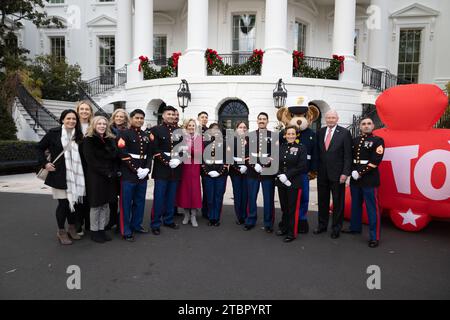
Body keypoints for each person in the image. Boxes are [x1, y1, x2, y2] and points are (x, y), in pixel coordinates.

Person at [37, 109, 85, 245]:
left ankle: (71, 228)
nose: (71, 121)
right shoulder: (54, 133)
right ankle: (61, 231)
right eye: (68, 118)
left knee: (73, 202)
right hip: (59, 174)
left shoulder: (79, 135)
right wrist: (45, 163)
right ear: (62, 119)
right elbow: (39, 148)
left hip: (76, 175)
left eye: (74, 119)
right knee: (64, 204)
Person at [342, 117, 385, 248]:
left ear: (373, 126)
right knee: (356, 205)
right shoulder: (354, 141)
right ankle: (355, 227)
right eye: (363, 124)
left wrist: (360, 172)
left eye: (369, 124)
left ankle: (374, 236)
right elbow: (350, 158)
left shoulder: (378, 141)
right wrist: (350, 173)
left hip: (369, 179)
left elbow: (376, 160)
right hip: (355, 179)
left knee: (372, 208)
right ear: (360, 127)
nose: (366, 126)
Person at [315, 109, 352, 239]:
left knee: (338, 202)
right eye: (328, 118)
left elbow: (348, 155)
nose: (330, 120)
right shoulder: (320, 132)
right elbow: (318, 153)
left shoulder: (344, 133)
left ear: (337, 118)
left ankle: (336, 228)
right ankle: (322, 225)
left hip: (338, 175)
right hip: (322, 174)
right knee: (322, 201)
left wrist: (345, 173)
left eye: (333, 118)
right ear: (326, 119)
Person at [117, 109, 153, 242]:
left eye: (142, 118)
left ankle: (136, 225)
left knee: (139, 202)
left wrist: (147, 169)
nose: (139, 120)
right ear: (131, 118)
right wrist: (136, 169)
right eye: (137, 118)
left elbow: (149, 155)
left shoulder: (146, 135)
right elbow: (123, 154)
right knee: (126, 203)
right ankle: (126, 230)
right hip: (129, 175)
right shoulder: (124, 134)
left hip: (142, 174)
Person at [83, 116, 120, 243]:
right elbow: (91, 161)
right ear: (94, 125)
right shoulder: (88, 140)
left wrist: (113, 172)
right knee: (96, 205)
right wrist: (107, 173)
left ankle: (101, 229)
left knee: (105, 204)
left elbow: (115, 158)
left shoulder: (110, 139)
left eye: (104, 124)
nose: (102, 126)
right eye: (99, 123)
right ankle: (94, 231)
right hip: (96, 177)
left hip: (109, 177)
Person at [150, 105, 183, 235]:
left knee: (171, 197)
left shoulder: (180, 131)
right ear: (163, 115)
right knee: (159, 197)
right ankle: (155, 223)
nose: (171, 116)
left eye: (173, 114)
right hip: (162, 169)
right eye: (168, 114)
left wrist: (178, 159)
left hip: (175, 169)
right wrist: (168, 161)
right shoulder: (156, 130)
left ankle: (168, 220)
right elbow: (154, 149)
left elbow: (183, 148)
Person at [245, 112, 277, 233]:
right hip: (253, 172)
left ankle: (268, 223)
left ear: (267, 121)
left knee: (268, 199)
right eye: (260, 119)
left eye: (264, 119)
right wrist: (255, 165)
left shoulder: (273, 136)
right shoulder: (250, 135)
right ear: (257, 121)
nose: (262, 121)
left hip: (268, 172)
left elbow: (274, 154)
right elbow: (246, 153)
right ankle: (251, 220)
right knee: (251, 197)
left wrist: (263, 165)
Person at [276, 126, 307, 242]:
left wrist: (287, 176)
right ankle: (284, 227)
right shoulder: (281, 147)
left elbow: (302, 166)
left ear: (296, 135)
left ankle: (291, 232)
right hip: (281, 181)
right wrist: (280, 175)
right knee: (284, 207)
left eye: (293, 134)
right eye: (288, 134)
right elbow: (275, 163)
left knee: (292, 208)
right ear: (285, 135)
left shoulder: (301, 148)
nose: (290, 136)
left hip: (293, 183)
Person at [106, 109, 130, 232]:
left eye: (122, 116)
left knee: (124, 196)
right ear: (113, 117)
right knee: (113, 196)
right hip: (112, 167)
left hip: (125, 167)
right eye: (117, 116)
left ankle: (121, 220)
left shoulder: (128, 131)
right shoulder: (108, 130)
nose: (119, 118)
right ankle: (112, 219)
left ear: (125, 119)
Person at [175, 119, 203, 227]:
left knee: (194, 191)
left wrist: (188, 150)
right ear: (186, 127)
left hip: (195, 167)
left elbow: (199, 153)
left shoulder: (198, 138)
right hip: (184, 167)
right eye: (189, 125)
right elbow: (178, 151)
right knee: (185, 191)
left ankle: (193, 215)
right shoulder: (182, 138)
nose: (191, 127)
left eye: (193, 125)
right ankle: (186, 214)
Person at [202, 123, 229, 226]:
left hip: (221, 175)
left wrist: (219, 171)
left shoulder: (226, 143)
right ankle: (210, 217)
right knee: (209, 196)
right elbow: (202, 160)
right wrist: (208, 171)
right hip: (207, 174)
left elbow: (227, 159)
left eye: (217, 130)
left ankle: (216, 218)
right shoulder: (204, 143)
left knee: (218, 196)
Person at [75, 100, 94, 236]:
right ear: (78, 111)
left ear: (90, 112)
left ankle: (89, 223)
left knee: (89, 194)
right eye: (82, 109)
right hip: (76, 164)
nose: (84, 111)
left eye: (87, 109)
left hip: (90, 165)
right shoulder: (72, 125)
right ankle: (77, 224)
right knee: (78, 196)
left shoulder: (94, 125)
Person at [229, 121, 249, 225]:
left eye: (244, 127)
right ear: (236, 129)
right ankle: (239, 216)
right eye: (240, 127)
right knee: (237, 194)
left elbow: (253, 155)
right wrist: (237, 167)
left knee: (245, 194)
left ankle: (245, 215)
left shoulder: (250, 141)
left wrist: (246, 166)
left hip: (247, 171)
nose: (242, 129)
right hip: (235, 172)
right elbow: (229, 157)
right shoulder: (231, 140)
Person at [197, 111, 209, 219]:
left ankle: (205, 210)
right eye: (202, 117)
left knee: (206, 188)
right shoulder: (194, 130)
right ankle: (191, 209)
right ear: (198, 118)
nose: (204, 119)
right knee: (194, 187)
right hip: (195, 163)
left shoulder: (209, 131)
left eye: (206, 117)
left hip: (206, 163)